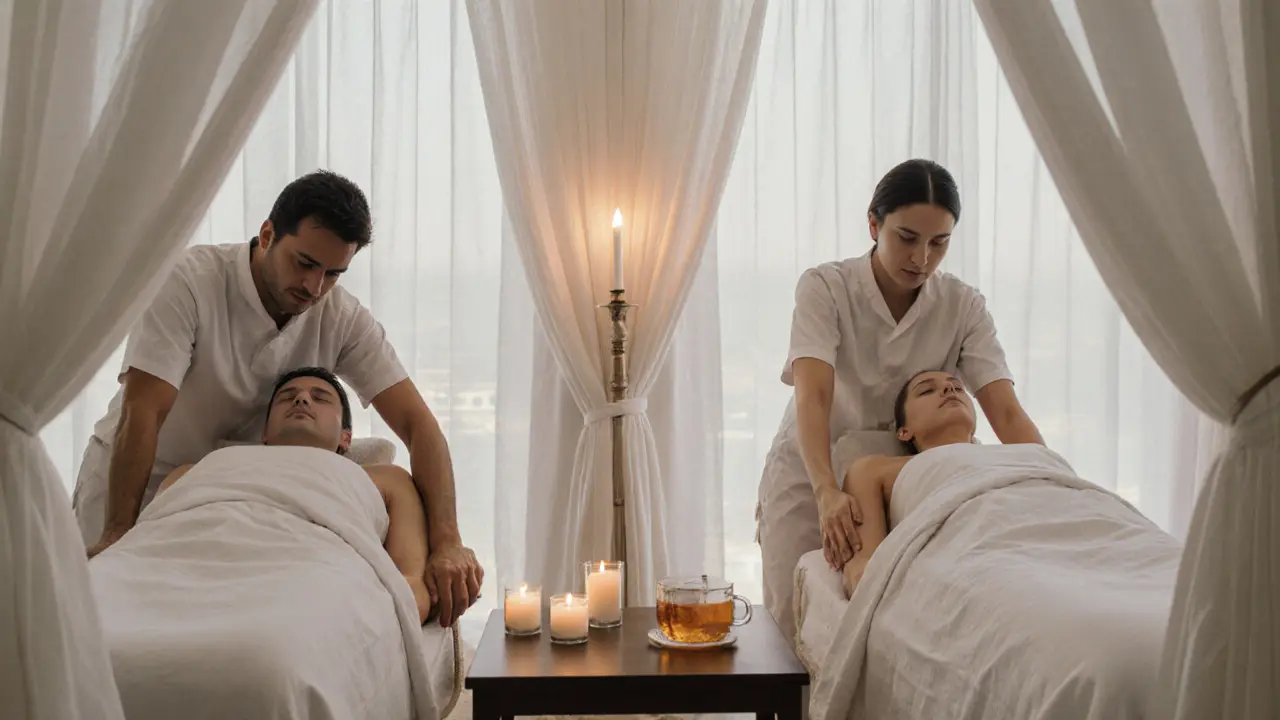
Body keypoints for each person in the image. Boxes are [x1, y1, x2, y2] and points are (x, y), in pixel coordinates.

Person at [71, 170, 482, 627]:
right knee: (93, 635)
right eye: (304, 263)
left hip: (228, 503)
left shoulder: (340, 317)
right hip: (136, 483)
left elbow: (418, 425)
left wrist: (448, 541)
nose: (314, 287)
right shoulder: (189, 282)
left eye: (333, 273)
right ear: (267, 234)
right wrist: (118, 535)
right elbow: (143, 411)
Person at [756, 158, 1044, 642]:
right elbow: (814, 398)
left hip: (900, 488)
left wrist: (1051, 483)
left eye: (940, 243)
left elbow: (1006, 412)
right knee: (792, 633)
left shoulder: (962, 306)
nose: (922, 258)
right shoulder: (826, 288)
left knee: (893, 634)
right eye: (907, 238)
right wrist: (826, 490)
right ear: (874, 224)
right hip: (812, 472)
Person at [150, 366, 434, 623]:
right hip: (184, 578)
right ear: (264, 433)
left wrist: (359, 620)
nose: (302, 400)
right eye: (287, 397)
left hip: (309, 587)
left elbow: (410, 583)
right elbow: (149, 545)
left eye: (320, 398)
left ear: (345, 437)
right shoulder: (194, 472)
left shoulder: (384, 479)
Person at [837, 369, 976, 597]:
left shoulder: (1023, 458)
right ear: (904, 432)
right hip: (971, 562)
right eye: (927, 391)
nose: (950, 389)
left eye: (958, 388)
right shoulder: (876, 470)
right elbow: (865, 572)